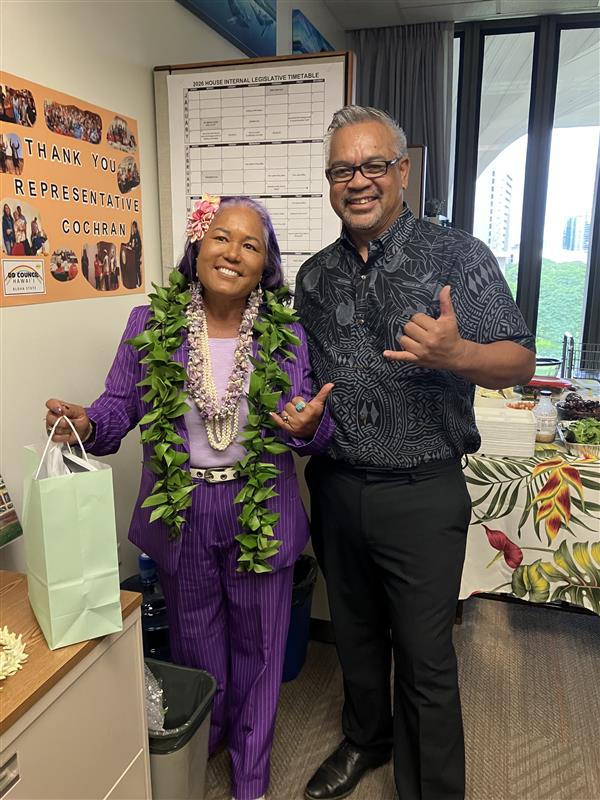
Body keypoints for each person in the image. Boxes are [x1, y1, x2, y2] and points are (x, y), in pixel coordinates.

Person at [45, 195, 334, 800]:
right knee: (198, 646)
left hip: (262, 511)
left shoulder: (288, 337)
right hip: (183, 512)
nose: (232, 252)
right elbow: (119, 405)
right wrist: (88, 426)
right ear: (198, 246)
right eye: (221, 237)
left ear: (267, 265)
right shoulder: (151, 325)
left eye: (250, 245)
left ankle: (251, 778)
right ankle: (208, 746)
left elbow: (311, 418)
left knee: (259, 652)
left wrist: (311, 429)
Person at [295, 106, 536, 800]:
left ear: (402, 171)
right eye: (344, 169)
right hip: (337, 485)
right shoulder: (312, 279)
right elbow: (300, 379)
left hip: (423, 490)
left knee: (427, 658)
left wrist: (458, 353)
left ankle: (431, 788)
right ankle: (366, 738)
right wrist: (295, 415)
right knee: (357, 636)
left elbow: (518, 359)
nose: (359, 182)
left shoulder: (458, 257)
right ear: (330, 181)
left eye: (374, 165)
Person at [127, 219, 142, 287]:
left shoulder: (137, 236)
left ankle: (140, 282)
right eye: (132, 227)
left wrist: (133, 248)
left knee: (138, 270)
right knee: (135, 270)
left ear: (135, 227)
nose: (132, 228)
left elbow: (139, 246)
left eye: (133, 227)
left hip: (137, 256)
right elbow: (129, 243)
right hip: (132, 256)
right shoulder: (132, 236)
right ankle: (135, 282)